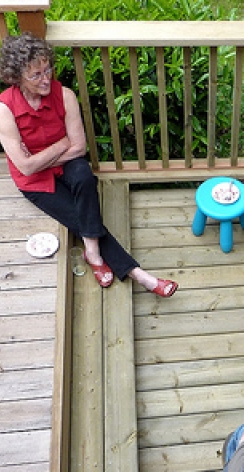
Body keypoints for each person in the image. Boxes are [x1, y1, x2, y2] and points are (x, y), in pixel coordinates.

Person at [0, 33, 178, 296]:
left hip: (65, 166)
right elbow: (26, 168)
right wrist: (61, 144)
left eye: (47, 68)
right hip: (36, 183)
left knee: (83, 173)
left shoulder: (66, 95)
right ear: (16, 78)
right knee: (83, 217)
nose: (46, 78)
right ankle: (140, 276)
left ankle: (93, 253)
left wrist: (42, 157)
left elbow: (79, 147)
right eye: (36, 75)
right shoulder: (4, 109)